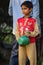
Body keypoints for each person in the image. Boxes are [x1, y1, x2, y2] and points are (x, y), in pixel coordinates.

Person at [8, 0, 41, 65]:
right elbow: (36, 14)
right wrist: (38, 30)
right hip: (29, 32)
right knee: (30, 57)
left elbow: (10, 12)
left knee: (15, 54)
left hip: (17, 31)